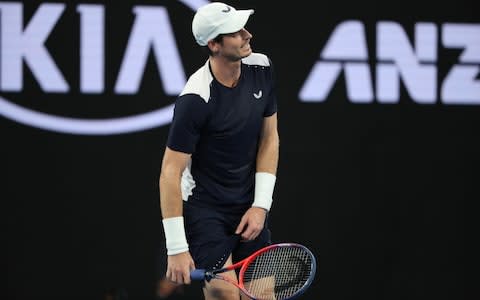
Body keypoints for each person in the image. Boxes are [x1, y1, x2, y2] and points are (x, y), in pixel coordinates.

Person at [159, 2, 279, 299]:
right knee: (225, 293)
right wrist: (176, 248)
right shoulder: (195, 99)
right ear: (214, 44)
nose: (248, 34)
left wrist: (261, 205)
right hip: (204, 209)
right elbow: (169, 172)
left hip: (246, 204)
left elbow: (270, 138)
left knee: (263, 295)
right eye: (236, 32)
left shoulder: (261, 68)